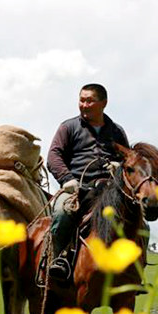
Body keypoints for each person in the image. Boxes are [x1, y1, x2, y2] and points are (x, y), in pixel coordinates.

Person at [46, 83, 129, 280]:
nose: (83, 105)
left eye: (89, 100)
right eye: (81, 100)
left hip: (110, 191)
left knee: (140, 222)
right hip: (76, 188)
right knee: (62, 212)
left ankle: (134, 271)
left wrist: (119, 166)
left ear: (104, 103)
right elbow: (53, 156)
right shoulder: (68, 127)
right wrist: (67, 179)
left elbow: (129, 159)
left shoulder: (117, 132)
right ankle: (58, 258)